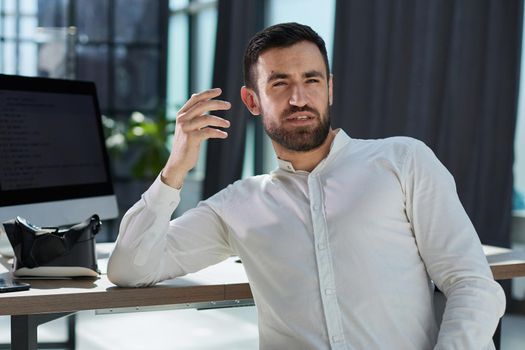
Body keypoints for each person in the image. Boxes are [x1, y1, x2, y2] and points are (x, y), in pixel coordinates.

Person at [108, 22, 506, 349]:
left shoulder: (403, 161)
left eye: (311, 80)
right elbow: (130, 268)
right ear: (252, 100)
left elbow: (470, 283)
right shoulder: (238, 204)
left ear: (329, 88)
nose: (299, 97)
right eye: (279, 83)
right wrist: (175, 167)